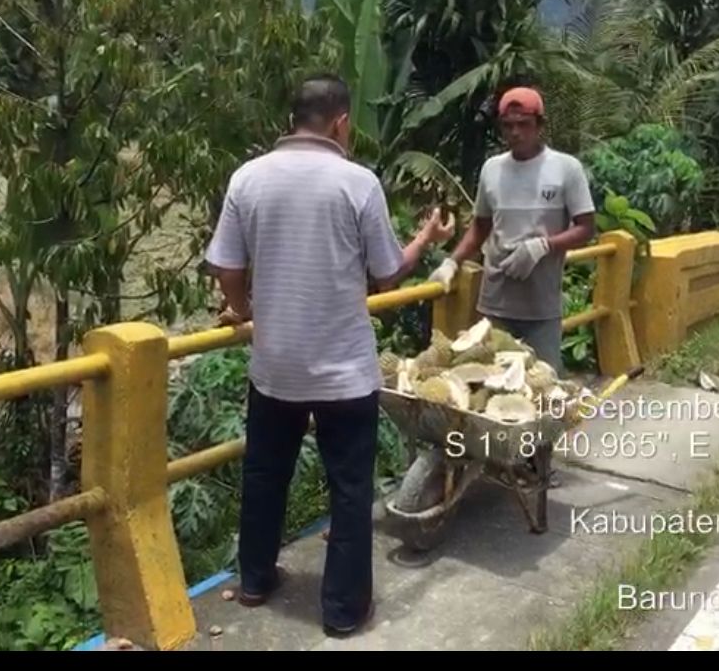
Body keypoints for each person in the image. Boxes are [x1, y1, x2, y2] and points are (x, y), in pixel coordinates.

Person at [203, 73, 455, 638]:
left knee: (266, 475)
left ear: (293, 119)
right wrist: (425, 238)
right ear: (340, 122)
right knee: (349, 488)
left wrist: (243, 311)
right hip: (344, 371)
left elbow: (227, 267)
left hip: (275, 366)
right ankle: (342, 612)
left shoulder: (248, 178)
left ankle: (255, 580)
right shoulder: (357, 182)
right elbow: (389, 272)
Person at [429, 86, 595, 375]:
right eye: (508, 126)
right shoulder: (492, 170)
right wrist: (451, 262)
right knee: (490, 381)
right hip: (496, 302)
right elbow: (480, 227)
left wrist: (543, 246)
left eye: (524, 125)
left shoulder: (566, 169)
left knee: (543, 383)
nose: (515, 133)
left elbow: (585, 228)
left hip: (541, 306)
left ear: (539, 125)